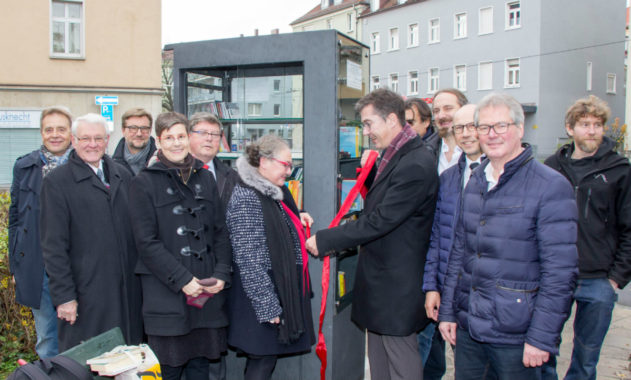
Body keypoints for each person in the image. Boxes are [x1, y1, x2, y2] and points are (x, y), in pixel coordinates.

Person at [438, 93, 578, 380]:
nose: (492, 135)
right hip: (470, 330)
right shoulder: (476, 181)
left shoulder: (550, 186)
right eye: (484, 127)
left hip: (517, 336)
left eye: (500, 126)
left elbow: (560, 274)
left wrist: (541, 338)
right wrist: (449, 313)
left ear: (520, 128)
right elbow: (460, 253)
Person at [306, 88, 438, 380]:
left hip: (397, 285)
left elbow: (379, 220)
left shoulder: (415, 163)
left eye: (368, 124)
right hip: (383, 281)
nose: (366, 132)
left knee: (401, 363)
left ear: (391, 119)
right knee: (379, 362)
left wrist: (327, 239)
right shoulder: (397, 156)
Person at [128, 112, 232, 380]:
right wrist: (183, 279)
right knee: (168, 369)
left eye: (181, 136)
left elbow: (220, 231)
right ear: (158, 142)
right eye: (169, 138)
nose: (176, 143)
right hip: (167, 294)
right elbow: (146, 242)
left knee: (200, 367)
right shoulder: (143, 182)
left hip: (206, 294)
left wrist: (221, 273)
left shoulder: (205, 178)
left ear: (189, 138)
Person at [544, 95, 631, 380]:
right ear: (570, 129)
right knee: (543, 350)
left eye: (597, 125)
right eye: (584, 124)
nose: (591, 130)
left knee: (586, 359)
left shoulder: (619, 170)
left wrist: (616, 277)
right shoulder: (551, 167)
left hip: (598, 279)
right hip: (555, 274)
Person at [40, 113, 143, 351]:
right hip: (86, 294)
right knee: (91, 361)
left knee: (128, 359)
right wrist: (65, 297)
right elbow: (53, 246)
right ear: (74, 141)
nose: (92, 144)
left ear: (108, 140)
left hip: (127, 292)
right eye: (85, 138)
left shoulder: (122, 175)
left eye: (98, 138)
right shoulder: (57, 182)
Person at [225, 135, 315, 380]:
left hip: (276, 290)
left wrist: (299, 217)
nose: (289, 170)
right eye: (285, 164)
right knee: (262, 362)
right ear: (263, 162)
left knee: (265, 360)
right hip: (260, 297)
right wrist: (267, 306)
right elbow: (248, 258)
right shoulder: (247, 197)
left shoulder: (273, 192)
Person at [420, 104, 486, 380]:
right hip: (451, 289)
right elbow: (437, 236)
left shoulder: (504, 177)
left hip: (486, 295)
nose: (466, 134)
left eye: (473, 126)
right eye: (460, 128)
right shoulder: (448, 179)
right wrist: (432, 286)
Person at [9, 106, 73, 358]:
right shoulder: (25, 166)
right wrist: (17, 266)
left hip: (77, 266)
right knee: (47, 338)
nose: (55, 135)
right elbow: (15, 219)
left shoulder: (86, 165)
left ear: (71, 133)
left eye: (61, 129)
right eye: (49, 129)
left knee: (80, 335)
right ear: (41, 133)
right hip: (39, 267)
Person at [188, 112, 239, 208]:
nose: (209, 138)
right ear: (189, 136)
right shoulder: (174, 172)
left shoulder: (233, 177)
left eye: (215, 134)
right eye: (203, 133)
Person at [432, 89, 468, 174]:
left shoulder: (480, 149)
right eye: (436, 111)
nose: (441, 116)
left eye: (448, 109)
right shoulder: (427, 152)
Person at [112, 107, 157, 175]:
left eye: (144, 128)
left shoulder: (163, 163)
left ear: (150, 130)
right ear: (123, 130)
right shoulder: (111, 166)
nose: (139, 134)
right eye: (133, 128)